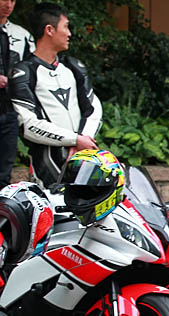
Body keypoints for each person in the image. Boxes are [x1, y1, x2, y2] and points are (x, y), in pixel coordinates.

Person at [8, 2, 100, 188]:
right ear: (49, 30)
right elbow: (28, 125)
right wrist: (75, 140)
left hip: (84, 158)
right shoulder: (23, 72)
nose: (69, 34)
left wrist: (83, 141)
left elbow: (93, 108)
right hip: (47, 166)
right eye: (65, 27)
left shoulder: (74, 67)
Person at [0, 0, 34, 188]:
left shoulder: (22, 35)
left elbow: (32, 70)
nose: (8, 4)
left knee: (5, 171)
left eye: (13, 0)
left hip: (10, 110)